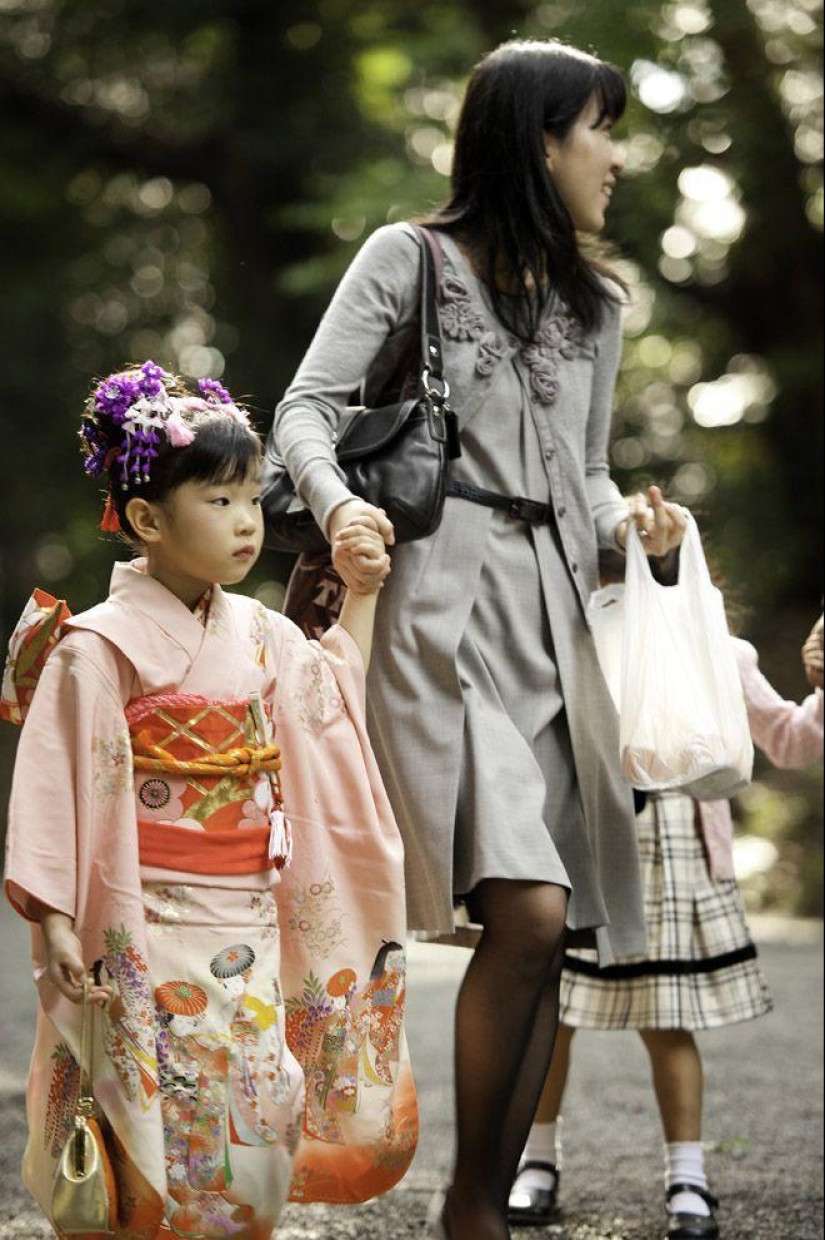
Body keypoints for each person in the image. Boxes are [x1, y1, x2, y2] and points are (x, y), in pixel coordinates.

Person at [272, 38, 687, 1240]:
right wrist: (343, 503)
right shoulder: (408, 259)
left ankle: (479, 1208)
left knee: (547, 927)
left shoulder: (597, 304)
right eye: (599, 127)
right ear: (538, 139)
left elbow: (592, 470)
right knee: (535, 911)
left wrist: (639, 529)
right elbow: (307, 404)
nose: (615, 155)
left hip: (558, 624)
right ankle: (472, 1214)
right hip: (435, 604)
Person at [2, 363, 416, 1239]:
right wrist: (57, 920)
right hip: (144, 924)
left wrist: (365, 592)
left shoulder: (261, 634)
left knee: (259, 1118)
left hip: (250, 918)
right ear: (147, 519)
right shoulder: (97, 648)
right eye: (219, 502)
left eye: (251, 502)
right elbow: (52, 782)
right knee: (166, 1125)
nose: (245, 523)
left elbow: (328, 694)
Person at [509, 620, 824, 1240]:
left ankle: (687, 1176)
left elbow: (790, 741)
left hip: (673, 852)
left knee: (666, 1015)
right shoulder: (566, 638)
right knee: (554, 1013)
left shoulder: (718, 652)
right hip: (582, 845)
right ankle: (536, 1162)